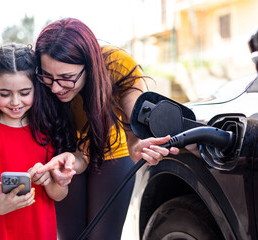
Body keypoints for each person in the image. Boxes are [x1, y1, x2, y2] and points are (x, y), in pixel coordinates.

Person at [34, 18, 180, 240]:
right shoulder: (39, 79)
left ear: (90, 65)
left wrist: (138, 143)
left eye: (67, 78)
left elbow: (134, 117)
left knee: (103, 236)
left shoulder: (117, 64)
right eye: (48, 77)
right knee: (70, 235)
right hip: (64, 152)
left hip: (112, 150)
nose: (55, 87)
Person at [0, 43, 69, 240]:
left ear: (37, 89)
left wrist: (51, 181)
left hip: (39, 233)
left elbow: (59, 195)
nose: (15, 102)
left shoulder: (49, 133)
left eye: (25, 93)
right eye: (5, 94)